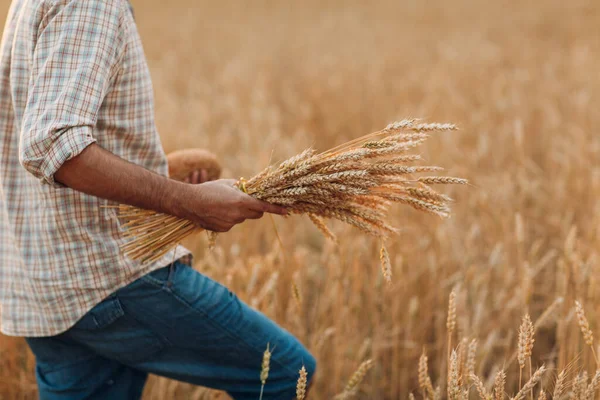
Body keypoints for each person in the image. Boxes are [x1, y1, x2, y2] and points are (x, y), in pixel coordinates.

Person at [0, 0, 316, 399]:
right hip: (108, 275)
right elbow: (53, 145)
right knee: (287, 374)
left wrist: (159, 172)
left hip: (44, 283)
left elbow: (39, 137)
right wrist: (188, 200)